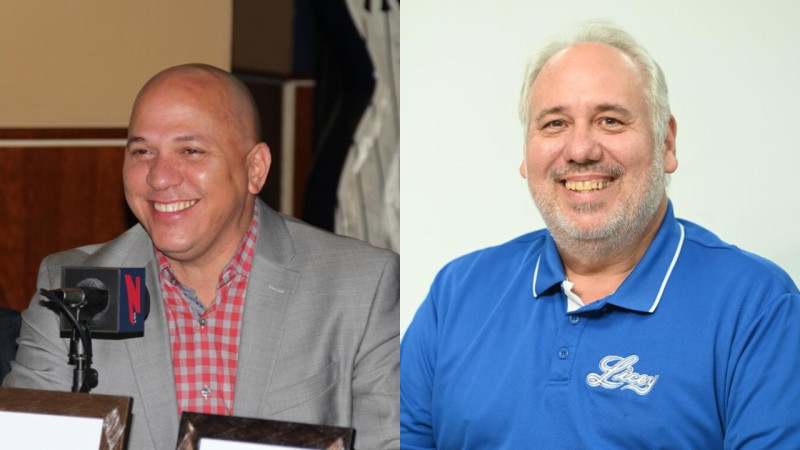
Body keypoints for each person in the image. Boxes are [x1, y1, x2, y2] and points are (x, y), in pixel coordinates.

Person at [400, 22, 800, 449]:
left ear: (666, 143)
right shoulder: (457, 293)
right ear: (525, 153)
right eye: (554, 124)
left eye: (609, 120)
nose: (580, 149)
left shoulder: (759, 307)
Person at [4, 64, 399, 450]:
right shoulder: (74, 290)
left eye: (190, 151)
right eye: (142, 152)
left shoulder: (361, 286)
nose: (159, 177)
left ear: (255, 169)